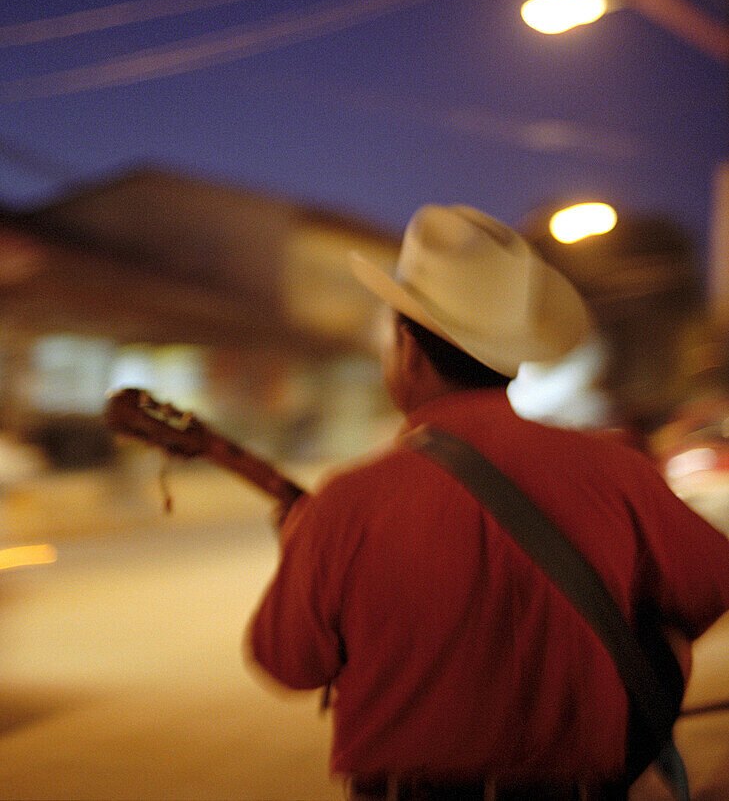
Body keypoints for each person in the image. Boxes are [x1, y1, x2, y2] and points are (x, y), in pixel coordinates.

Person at [247, 204, 729, 801]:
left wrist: (304, 544)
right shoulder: (619, 473)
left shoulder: (348, 502)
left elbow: (288, 663)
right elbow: (711, 586)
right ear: (511, 355)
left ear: (407, 347)